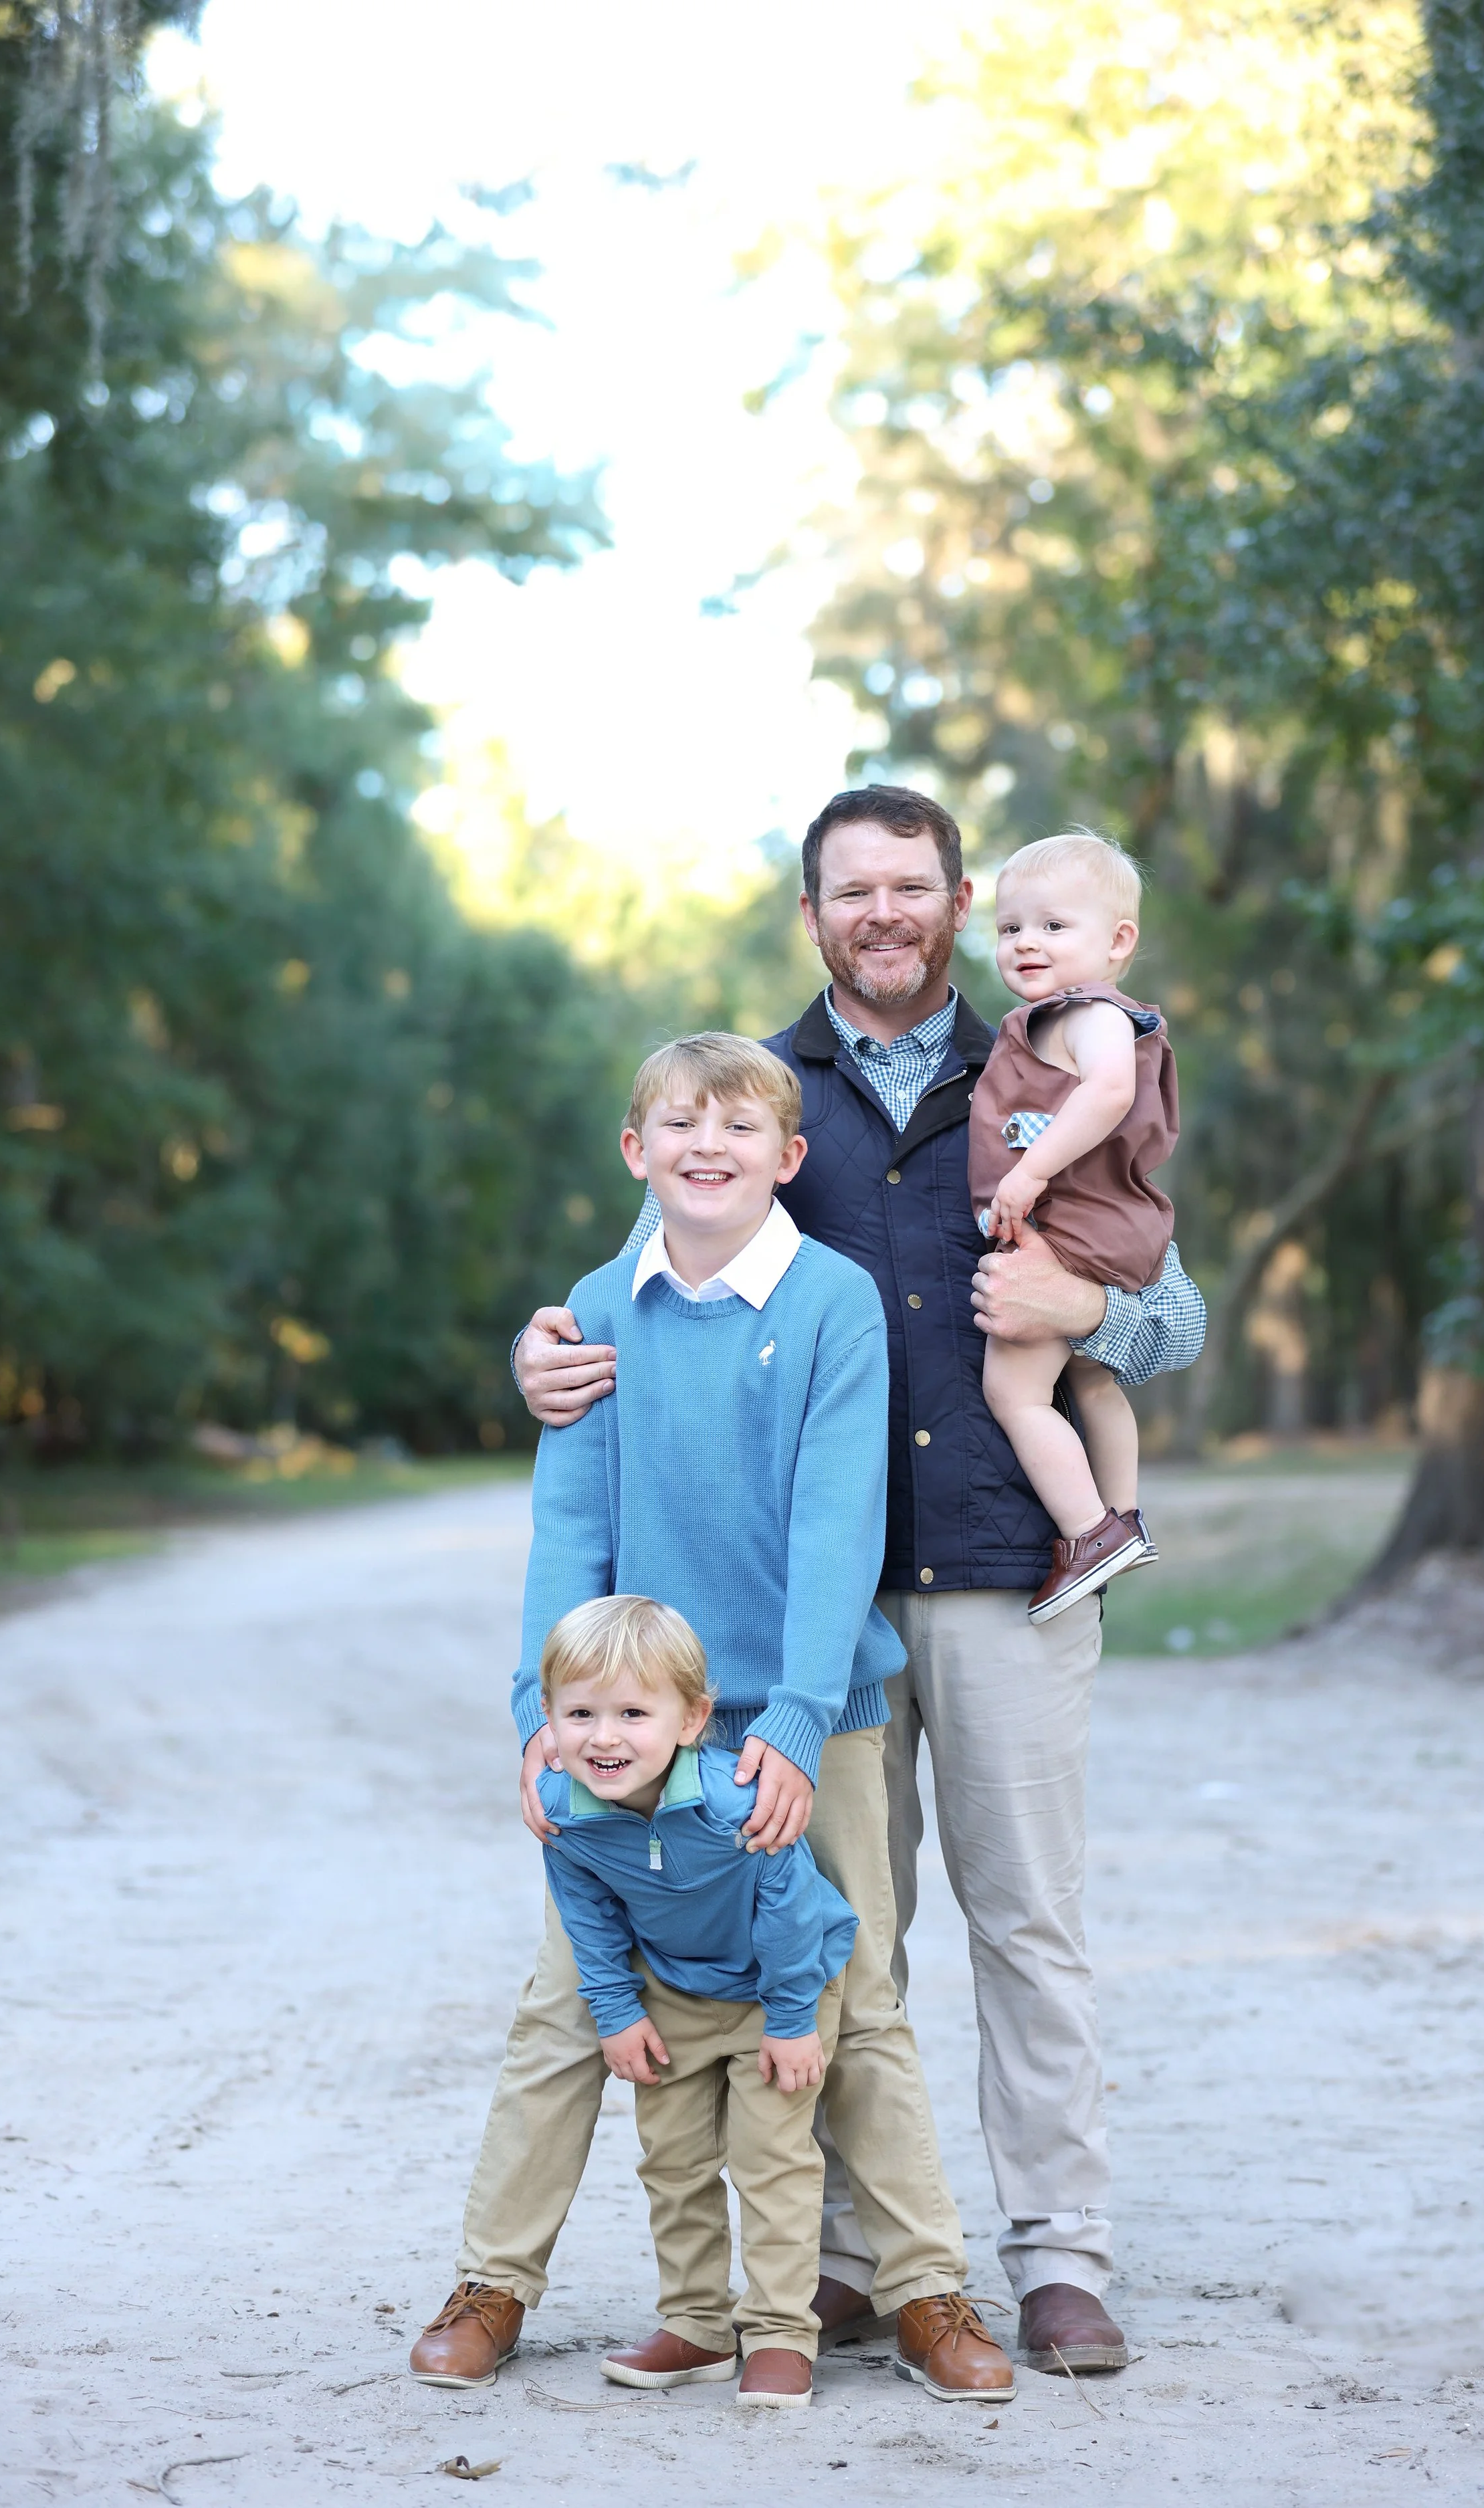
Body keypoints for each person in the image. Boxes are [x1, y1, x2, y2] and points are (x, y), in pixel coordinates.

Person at [514, 787, 1146, 2376]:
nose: (883, 911)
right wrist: (536, 1350)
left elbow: (1168, 1305)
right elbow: (638, 1287)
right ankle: (858, 2254)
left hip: (1010, 1562)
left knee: (1029, 1920)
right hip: (816, 1613)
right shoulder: (751, 1089)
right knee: (850, 1927)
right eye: (851, 888)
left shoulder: (1048, 1065)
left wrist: (1091, 1301)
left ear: (954, 904)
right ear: (813, 913)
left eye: (912, 887)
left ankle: (1059, 2255)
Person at [409, 1030, 1014, 2408]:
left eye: (736, 1129)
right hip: (629, 1727)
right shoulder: (593, 1311)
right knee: (566, 2008)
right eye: (676, 1127)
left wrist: (796, 1725)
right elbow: (568, 1525)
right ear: (636, 1153)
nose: (705, 1147)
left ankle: (926, 2294)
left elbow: (832, 1523)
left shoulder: (830, 1303)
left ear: (785, 1160)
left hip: (807, 1719)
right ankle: (494, 2281)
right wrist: (539, 1719)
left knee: (853, 2005)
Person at [534, 1593, 856, 2408]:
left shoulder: (735, 1804)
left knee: (773, 2160)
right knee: (672, 2161)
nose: (603, 1737)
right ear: (548, 1719)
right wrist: (616, 2010)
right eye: (580, 1713)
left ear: (690, 1719)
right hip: (672, 1990)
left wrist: (789, 2022)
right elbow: (588, 1915)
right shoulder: (567, 1818)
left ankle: (781, 2332)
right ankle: (696, 2326)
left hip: (778, 1989)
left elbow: (788, 1909)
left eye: (632, 1712)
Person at [969, 829, 1206, 1625]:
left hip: (1074, 1233)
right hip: (1102, 1230)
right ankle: (1126, 1515)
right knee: (1089, 1376)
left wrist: (1030, 1173)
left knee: (1013, 1388)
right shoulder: (1050, 1020)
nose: (1026, 941)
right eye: (1011, 929)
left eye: (1053, 926)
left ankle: (1087, 1532)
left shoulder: (1091, 1015)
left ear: (1118, 942)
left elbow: (1107, 1095)